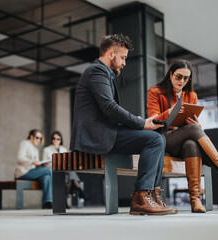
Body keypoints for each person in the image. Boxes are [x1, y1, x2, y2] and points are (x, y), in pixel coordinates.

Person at [70, 33, 176, 215]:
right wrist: (141, 123)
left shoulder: (103, 73)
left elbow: (107, 111)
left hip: (106, 131)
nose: (124, 63)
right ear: (111, 54)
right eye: (123, 57)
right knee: (154, 140)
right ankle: (141, 197)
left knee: (158, 137)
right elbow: (110, 108)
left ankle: (152, 194)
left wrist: (136, 123)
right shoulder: (97, 71)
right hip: (96, 136)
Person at [147, 59, 218, 213]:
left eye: (185, 78)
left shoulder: (191, 95)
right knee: (193, 130)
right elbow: (152, 121)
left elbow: (192, 129)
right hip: (162, 138)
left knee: (192, 144)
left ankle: (195, 200)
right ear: (170, 75)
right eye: (178, 77)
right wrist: (170, 112)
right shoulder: (155, 92)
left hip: (183, 139)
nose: (181, 81)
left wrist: (196, 123)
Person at [42, 131, 85, 208]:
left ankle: (65, 200)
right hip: (53, 171)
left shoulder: (64, 149)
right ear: (51, 139)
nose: (56, 140)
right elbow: (45, 163)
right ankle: (79, 189)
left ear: (61, 140)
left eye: (58, 139)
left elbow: (68, 162)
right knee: (69, 176)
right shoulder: (46, 149)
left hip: (64, 171)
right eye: (54, 138)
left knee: (68, 176)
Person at [15, 129, 53, 209]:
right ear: (31, 136)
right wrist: (32, 162)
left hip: (32, 172)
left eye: (40, 138)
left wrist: (42, 164)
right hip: (24, 172)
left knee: (47, 177)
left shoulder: (35, 149)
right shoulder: (25, 143)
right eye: (37, 137)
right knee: (49, 170)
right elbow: (20, 158)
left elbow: (35, 164)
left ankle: (47, 202)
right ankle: (55, 197)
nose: (39, 140)